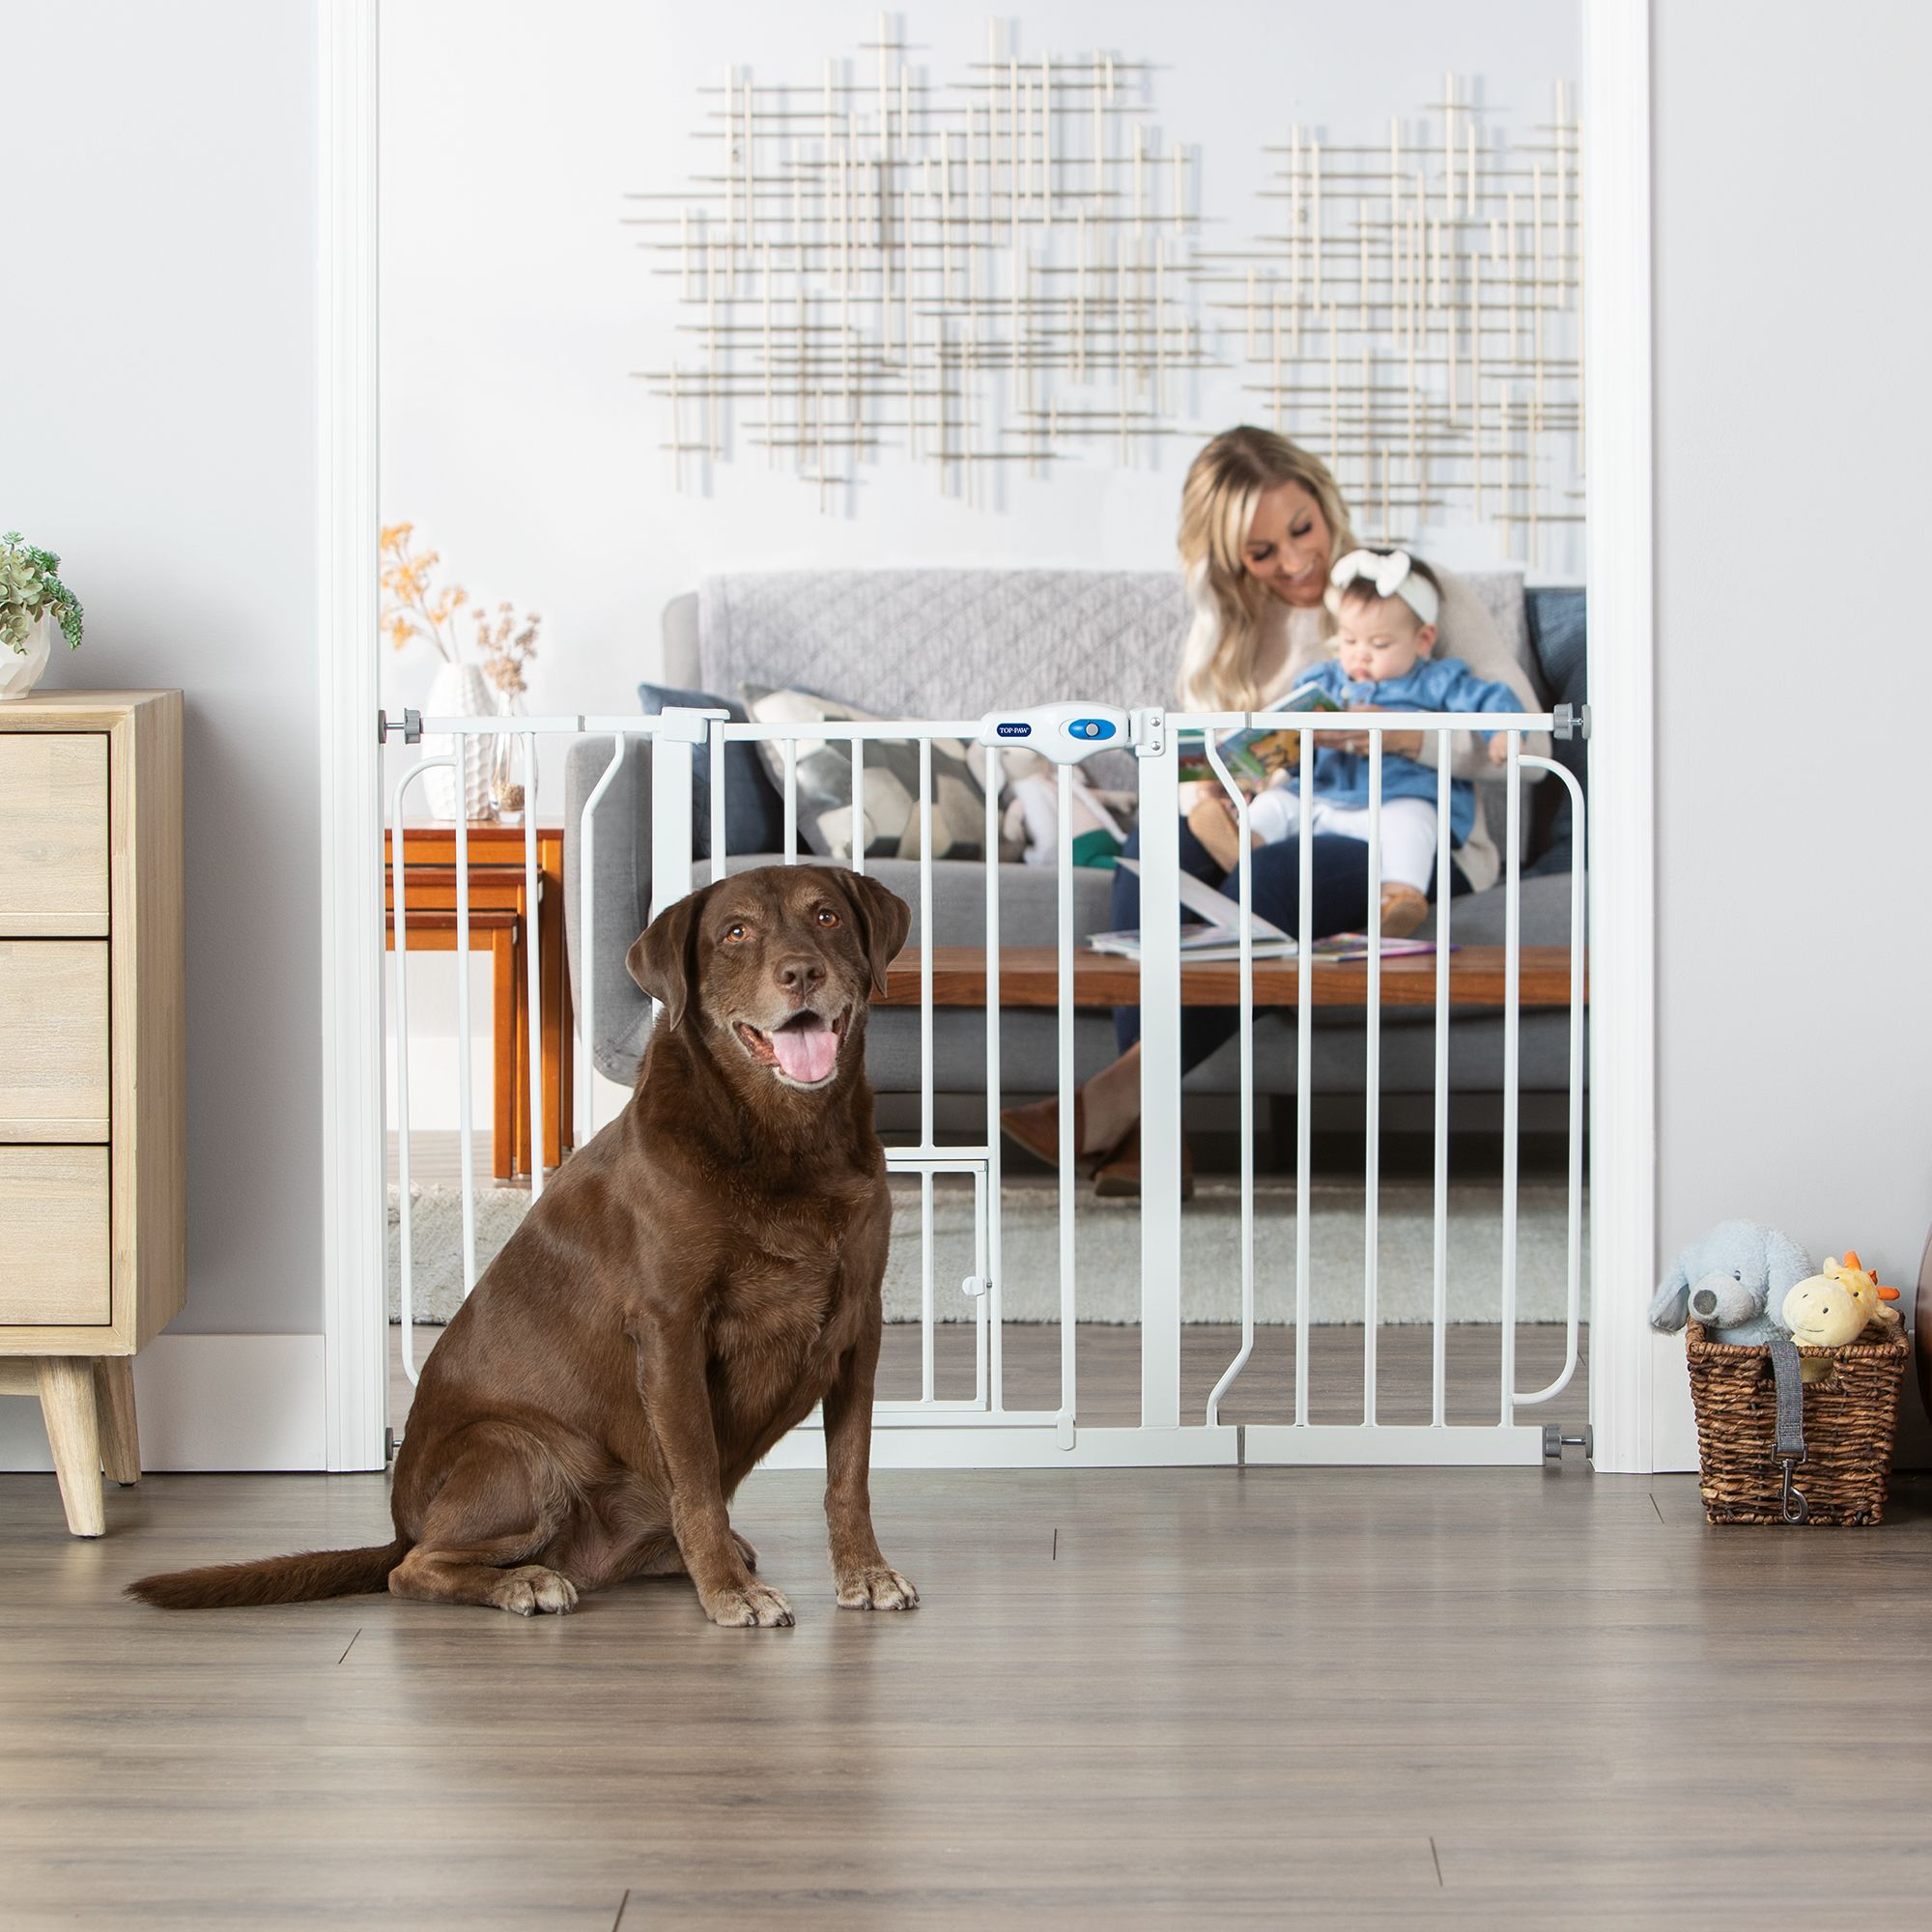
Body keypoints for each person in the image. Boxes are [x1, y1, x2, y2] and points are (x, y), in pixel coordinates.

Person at [999, 425, 1547, 1196]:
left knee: (1282, 873)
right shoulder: (1225, 632)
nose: (1295, 563)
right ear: (1228, 561)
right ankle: (1151, 1131)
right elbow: (1204, 765)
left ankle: (1118, 1102)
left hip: (1413, 843)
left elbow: (1523, 746)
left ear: (1325, 505)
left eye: (1303, 530)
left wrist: (1410, 739)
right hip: (1291, 815)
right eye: (1262, 553)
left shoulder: (1406, 587)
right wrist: (1217, 796)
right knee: (1152, 849)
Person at [1190, 547, 1526, 937]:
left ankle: (1399, 894)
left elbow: (1491, 700)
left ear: (1423, 639)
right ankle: (1243, 841)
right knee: (1277, 803)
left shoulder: (1436, 680)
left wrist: (1503, 732)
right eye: (1349, 641)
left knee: (1414, 822)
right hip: (1321, 800)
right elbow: (1288, 745)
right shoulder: (1327, 682)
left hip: (1395, 799)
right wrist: (1262, 764)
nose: (1360, 657)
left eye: (1379, 645)